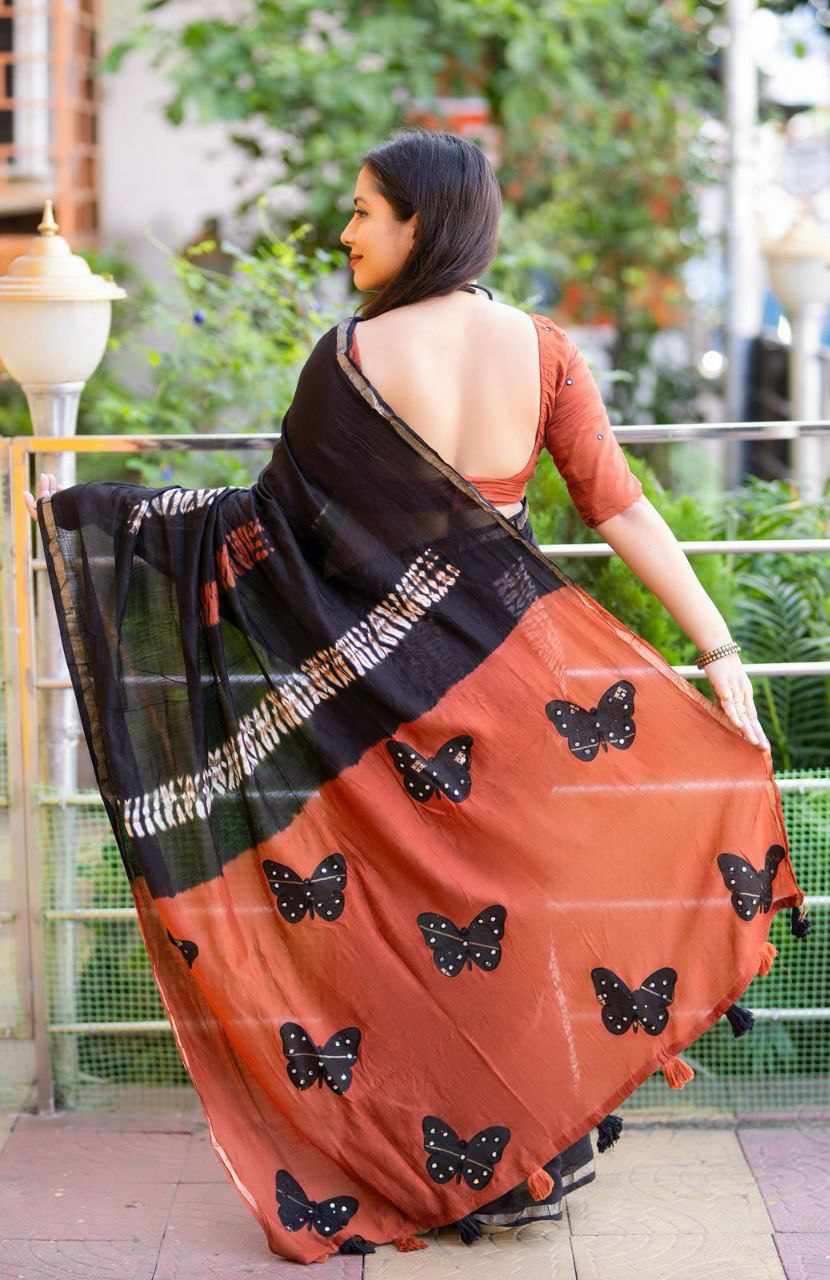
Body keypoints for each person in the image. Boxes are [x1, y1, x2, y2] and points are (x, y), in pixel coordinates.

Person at [26, 130, 805, 1263]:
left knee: (407, 940)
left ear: (418, 224)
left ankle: (449, 1167)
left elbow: (270, 536)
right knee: (520, 928)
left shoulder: (349, 359)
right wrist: (717, 647)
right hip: (521, 687)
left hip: (388, 710)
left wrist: (106, 522)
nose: (345, 231)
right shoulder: (540, 349)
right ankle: (535, 1161)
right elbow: (619, 507)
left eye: (362, 211)